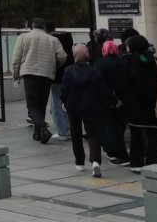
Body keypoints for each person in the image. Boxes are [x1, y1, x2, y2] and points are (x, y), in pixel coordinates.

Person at [11, 18, 67, 144]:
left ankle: (43, 130)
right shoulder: (53, 40)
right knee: (41, 104)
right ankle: (38, 134)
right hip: (47, 75)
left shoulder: (23, 38)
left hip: (30, 74)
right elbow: (62, 57)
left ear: (32, 26)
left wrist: (15, 74)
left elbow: (16, 58)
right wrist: (54, 64)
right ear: (44, 27)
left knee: (32, 106)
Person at [62, 44, 111, 177]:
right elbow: (102, 91)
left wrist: (64, 102)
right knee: (93, 135)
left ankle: (79, 162)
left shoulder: (68, 71)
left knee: (76, 135)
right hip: (91, 106)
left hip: (73, 107)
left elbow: (64, 90)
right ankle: (95, 161)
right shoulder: (95, 71)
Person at [119, 35, 157, 172]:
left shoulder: (127, 61)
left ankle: (136, 163)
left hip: (134, 105)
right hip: (152, 103)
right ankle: (153, 162)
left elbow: (123, 84)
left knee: (136, 134)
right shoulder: (153, 60)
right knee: (152, 135)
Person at [94, 39, 130, 165]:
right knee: (119, 125)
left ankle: (116, 152)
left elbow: (97, 82)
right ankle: (117, 150)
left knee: (109, 126)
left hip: (107, 99)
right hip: (123, 98)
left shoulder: (100, 63)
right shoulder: (124, 62)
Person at [47, 21, 75, 142]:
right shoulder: (66, 38)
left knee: (55, 105)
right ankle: (70, 129)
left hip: (57, 77)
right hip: (70, 74)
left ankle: (62, 131)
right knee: (68, 102)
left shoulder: (51, 41)